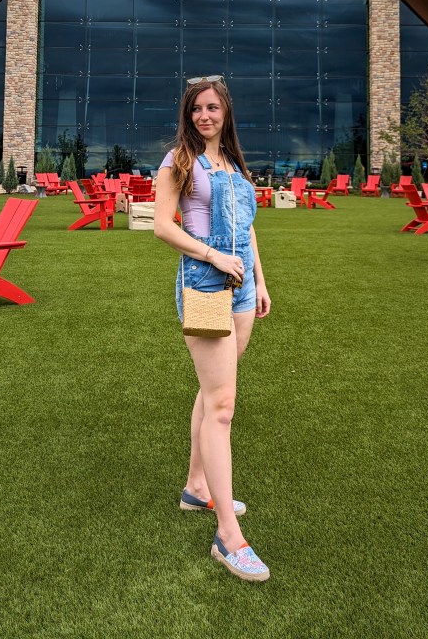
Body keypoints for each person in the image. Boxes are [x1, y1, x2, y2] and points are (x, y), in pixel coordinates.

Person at [154, 75, 272, 583]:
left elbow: (247, 228)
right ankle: (228, 536)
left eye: (212, 108)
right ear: (188, 114)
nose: (204, 116)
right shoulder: (178, 160)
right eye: (197, 109)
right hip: (204, 283)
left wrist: (260, 281)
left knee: (212, 393)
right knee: (222, 406)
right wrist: (213, 256)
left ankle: (196, 488)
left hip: (242, 287)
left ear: (225, 113)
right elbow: (163, 225)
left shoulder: (234, 164)